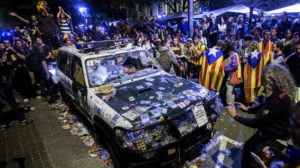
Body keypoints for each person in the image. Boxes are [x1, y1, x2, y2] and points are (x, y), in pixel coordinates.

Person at [227, 64, 296, 168]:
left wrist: (236, 116)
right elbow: (266, 105)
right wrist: (248, 109)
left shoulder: (276, 100)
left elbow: (256, 122)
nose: (262, 83)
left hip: (274, 137)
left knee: (256, 161)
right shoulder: (281, 93)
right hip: (271, 131)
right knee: (248, 146)